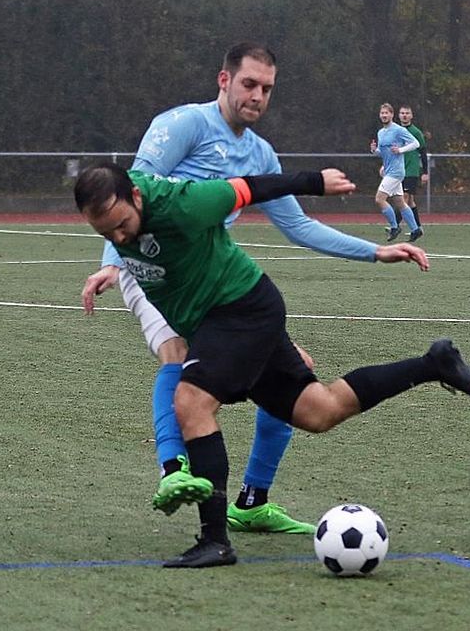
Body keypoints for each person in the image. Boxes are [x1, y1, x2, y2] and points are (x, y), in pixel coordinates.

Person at [82, 43, 430, 536]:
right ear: (224, 80)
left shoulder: (260, 153)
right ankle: (173, 469)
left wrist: (373, 251)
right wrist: (113, 264)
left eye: (266, 88)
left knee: (301, 374)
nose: (257, 95)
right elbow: (128, 193)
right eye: (249, 84)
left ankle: (251, 500)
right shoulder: (182, 124)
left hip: (218, 284)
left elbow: (299, 227)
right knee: (177, 356)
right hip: (154, 269)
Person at [74, 163, 470, 568]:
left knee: (191, 402)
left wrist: (315, 182)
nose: (118, 235)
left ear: (136, 195)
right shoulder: (122, 215)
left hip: (238, 310)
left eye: (121, 224)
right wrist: (112, 263)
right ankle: (434, 364)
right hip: (226, 319)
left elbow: (249, 187)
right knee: (320, 410)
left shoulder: (186, 203)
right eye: (104, 232)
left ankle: (215, 541)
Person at [369, 103, 423, 243]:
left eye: (386, 113)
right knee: (400, 202)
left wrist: (401, 150)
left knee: (379, 199)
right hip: (389, 171)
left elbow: (415, 143)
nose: (384, 115)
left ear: (392, 115)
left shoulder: (398, 130)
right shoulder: (381, 132)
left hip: (396, 172)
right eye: (382, 113)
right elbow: (384, 153)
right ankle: (415, 230)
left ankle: (394, 227)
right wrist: (375, 151)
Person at [398, 105, 428, 229]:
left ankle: (395, 225)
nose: (404, 115)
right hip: (398, 169)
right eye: (402, 113)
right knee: (410, 201)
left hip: (411, 170)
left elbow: (423, 152)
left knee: (403, 198)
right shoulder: (396, 130)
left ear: (411, 116)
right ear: (399, 115)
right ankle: (418, 227)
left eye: (407, 113)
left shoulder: (416, 132)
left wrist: (425, 172)